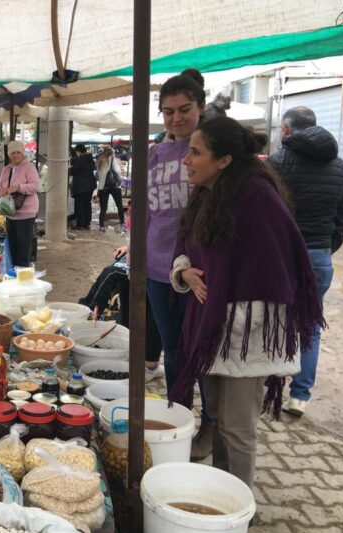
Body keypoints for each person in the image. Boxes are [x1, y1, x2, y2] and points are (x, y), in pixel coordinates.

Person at [169, 117, 323, 488]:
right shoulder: (207, 194)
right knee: (219, 414)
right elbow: (186, 246)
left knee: (238, 426)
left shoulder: (256, 197)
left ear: (224, 160)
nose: (185, 160)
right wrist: (185, 271)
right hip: (212, 326)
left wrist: (232, 320)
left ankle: (238, 504)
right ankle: (224, 488)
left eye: (196, 152)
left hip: (245, 332)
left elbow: (276, 270)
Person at [144, 70, 215, 460]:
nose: (176, 118)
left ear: (200, 107)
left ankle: (211, 425)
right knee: (174, 349)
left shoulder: (212, 150)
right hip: (158, 267)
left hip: (201, 269)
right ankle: (179, 418)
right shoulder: (155, 153)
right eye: (168, 111)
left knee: (203, 349)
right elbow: (148, 212)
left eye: (184, 109)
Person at [268, 106, 343, 417]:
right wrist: (323, 248)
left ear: (287, 130)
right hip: (319, 257)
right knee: (310, 327)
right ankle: (300, 396)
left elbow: (265, 212)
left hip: (281, 255)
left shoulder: (277, 163)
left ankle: (270, 384)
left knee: (273, 319)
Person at [79, 246, 164, 381]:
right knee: (129, 296)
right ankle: (89, 311)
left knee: (112, 274)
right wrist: (129, 248)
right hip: (140, 261)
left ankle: (150, 365)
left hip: (158, 268)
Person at [0, 140, 39, 267]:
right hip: (9, 213)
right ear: (9, 155)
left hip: (25, 213)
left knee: (23, 246)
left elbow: (35, 187)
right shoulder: (6, 169)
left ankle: (23, 271)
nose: (15, 155)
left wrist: (18, 187)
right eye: (12, 153)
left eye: (18, 152)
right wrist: (0, 190)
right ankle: (13, 270)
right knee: (12, 245)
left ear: (23, 153)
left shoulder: (29, 168)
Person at [96, 147, 125, 233]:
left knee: (103, 208)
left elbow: (97, 176)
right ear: (112, 153)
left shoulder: (99, 161)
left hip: (102, 187)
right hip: (114, 187)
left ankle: (101, 226)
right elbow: (117, 173)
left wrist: (102, 181)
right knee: (119, 205)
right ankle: (122, 223)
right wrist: (119, 182)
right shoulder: (113, 160)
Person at [69, 143, 96, 230]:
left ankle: (80, 224)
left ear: (78, 151)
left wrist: (69, 168)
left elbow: (73, 171)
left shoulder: (80, 159)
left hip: (80, 186)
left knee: (79, 205)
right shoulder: (90, 159)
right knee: (87, 204)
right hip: (90, 186)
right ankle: (87, 223)